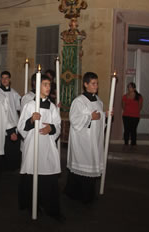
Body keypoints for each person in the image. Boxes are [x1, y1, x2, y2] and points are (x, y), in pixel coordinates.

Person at [17, 74, 63, 221]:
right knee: (32, 175)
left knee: (48, 175)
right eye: (45, 84)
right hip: (33, 146)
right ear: (37, 86)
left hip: (47, 146)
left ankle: (50, 207)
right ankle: (32, 206)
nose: (48, 87)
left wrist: (52, 128)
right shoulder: (30, 105)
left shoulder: (52, 107)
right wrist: (31, 120)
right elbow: (21, 128)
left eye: (49, 85)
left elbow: (58, 125)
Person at [65, 72, 108, 204]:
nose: (96, 86)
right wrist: (90, 117)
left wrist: (106, 115)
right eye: (93, 83)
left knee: (92, 166)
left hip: (94, 141)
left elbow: (100, 119)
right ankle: (77, 194)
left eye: (97, 83)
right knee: (83, 168)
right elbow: (74, 120)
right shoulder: (79, 101)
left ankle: (88, 194)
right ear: (85, 84)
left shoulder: (98, 100)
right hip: (82, 142)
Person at [0, 71, 21, 171]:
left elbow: (19, 107)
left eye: (6, 78)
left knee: (13, 150)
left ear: (10, 79)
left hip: (15, 124)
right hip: (3, 126)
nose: (4, 80)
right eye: (2, 78)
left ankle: (13, 167)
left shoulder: (14, 93)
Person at [121, 82, 143, 151]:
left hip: (135, 116)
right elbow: (123, 106)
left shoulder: (139, 96)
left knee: (133, 130)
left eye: (130, 87)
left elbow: (140, 106)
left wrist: (134, 112)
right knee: (126, 130)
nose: (129, 88)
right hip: (126, 115)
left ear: (134, 88)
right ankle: (126, 143)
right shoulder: (125, 96)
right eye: (128, 87)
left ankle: (133, 144)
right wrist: (128, 111)